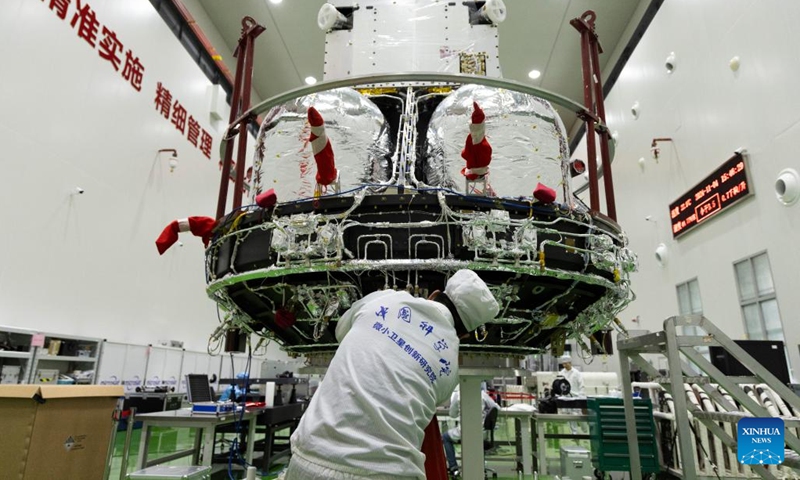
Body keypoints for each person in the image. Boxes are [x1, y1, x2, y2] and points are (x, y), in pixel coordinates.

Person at [284, 270, 500, 479]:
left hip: (313, 458)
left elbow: (343, 332)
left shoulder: (386, 299)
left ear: (434, 294)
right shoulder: (450, 368)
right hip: (391, 471)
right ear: (464, 333)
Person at [442, 384, 500, 476]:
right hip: (481, 433)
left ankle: (453, 468)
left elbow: (452, 414)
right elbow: (496, 408)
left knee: (445, 437)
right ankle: (480, 467)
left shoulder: (458, 395)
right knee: (477, 440)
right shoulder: (482, 394)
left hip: (464, 433)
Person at [558, 354, 585, 436]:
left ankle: (584, 428)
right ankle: (574, 432)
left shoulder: (576, 373)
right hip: (566, 397)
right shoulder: (561, 373)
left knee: (578, 414)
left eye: (566, 363)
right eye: (563, 364)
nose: (565, 365)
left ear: (570, 363)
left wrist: (581, 395)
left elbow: (581, 384)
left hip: (576, 396)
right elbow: (559, 383)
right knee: (570, 415)